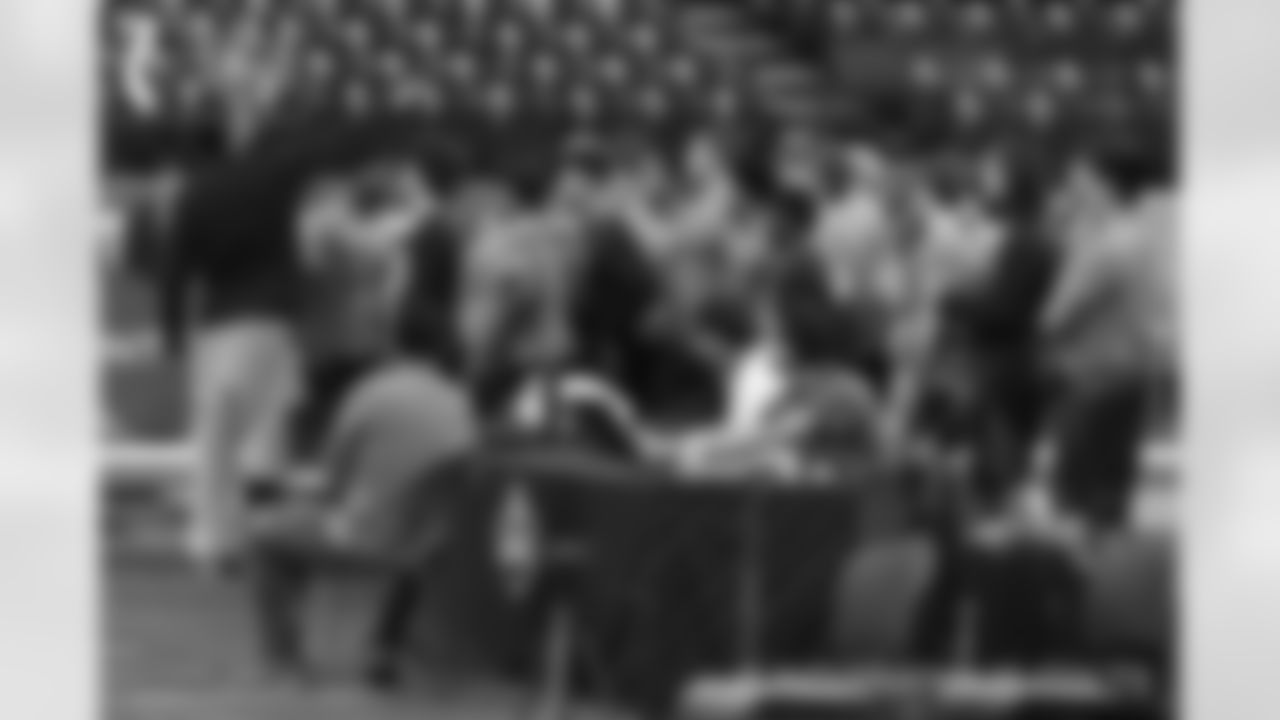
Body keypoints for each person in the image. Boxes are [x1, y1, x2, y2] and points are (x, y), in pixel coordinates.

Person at [244, 343, 481, 682]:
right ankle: (386, 648)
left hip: (373, 540)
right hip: (435, 541)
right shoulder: (456, 399)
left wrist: (302, 499)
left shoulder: (365, 395)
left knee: (265, 536)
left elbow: (333, 487)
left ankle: (283, 659)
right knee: (411, 535)